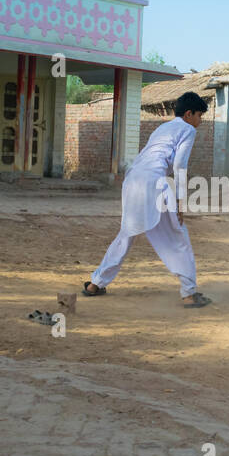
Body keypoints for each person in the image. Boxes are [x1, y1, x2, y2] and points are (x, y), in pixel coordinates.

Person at [83, 91, 213, 308]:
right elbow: (180, 165)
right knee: (177, 235)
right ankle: (189, 294)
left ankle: (95, 284)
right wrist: (180, 201)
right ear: (189, 114)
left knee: (126, 234)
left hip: (133, 180)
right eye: (200, 116)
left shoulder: (164, 127)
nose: (199, 122)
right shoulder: (187, 129)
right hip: (154, 183)